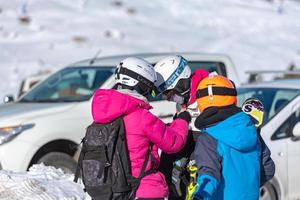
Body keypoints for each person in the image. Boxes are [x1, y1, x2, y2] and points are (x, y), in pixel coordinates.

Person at [91, 57, 191, 200]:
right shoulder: (140, 116)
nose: (150, 95)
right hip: (143, 189)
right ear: (141, 85)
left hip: (111, 189)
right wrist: (182, 119)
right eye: (149, 90)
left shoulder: (103, 112)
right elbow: (174, 143)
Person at [191, 74, 275, 199]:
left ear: (201, 103)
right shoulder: (251, 130)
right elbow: (268, 168)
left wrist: (200, 196)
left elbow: (209, 176)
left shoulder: (209, 138)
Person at [154, 55, 209, 199]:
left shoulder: (208, 92)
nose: (170, 99)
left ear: (181, 82)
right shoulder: (184, 100)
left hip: (206, 164)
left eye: (170, 94)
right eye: (166, 96)